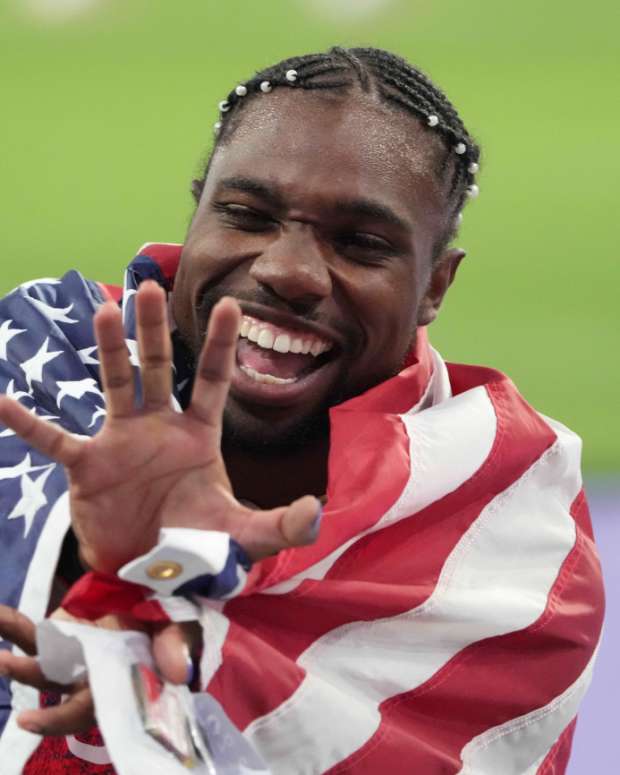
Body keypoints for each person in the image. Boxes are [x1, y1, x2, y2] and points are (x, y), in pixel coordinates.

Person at [0, 47, 604, 774]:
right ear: (197, 212)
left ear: (435, 284)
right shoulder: (38, 363)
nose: (285, 271)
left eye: (361, 243)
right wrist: (83, 564)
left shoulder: (505, 526)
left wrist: (207, 655)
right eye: (247, 215)